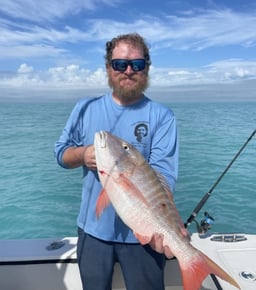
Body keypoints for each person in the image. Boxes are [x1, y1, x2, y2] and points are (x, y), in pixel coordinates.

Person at [55, 32, 179, 290]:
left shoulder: (162, 116)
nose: (129, 70)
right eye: (120, 64)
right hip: (93, 232)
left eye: (137, 64)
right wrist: (83, 154)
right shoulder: (85, 108)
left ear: (147, 67)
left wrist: (170, 224)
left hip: (143, 237)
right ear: (109, 68)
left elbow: (163, 176)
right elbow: (61, 154)